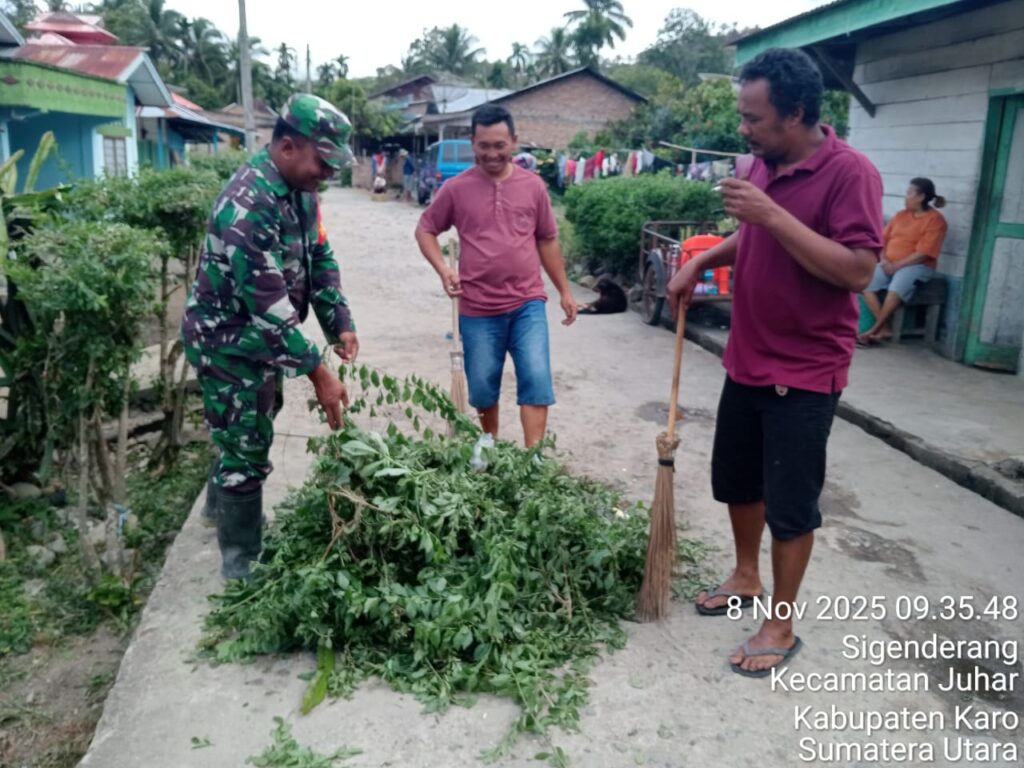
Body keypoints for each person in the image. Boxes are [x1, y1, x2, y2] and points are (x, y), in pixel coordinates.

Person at [667, 48, 883, 677]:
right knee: (738, 481)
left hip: (805, 368)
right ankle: (745, 575)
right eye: (743, 115)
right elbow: (753, 233)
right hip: (748, 355)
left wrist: (772, 214)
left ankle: (781, 624)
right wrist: (702, 261)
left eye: (754, 118)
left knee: (790, 502)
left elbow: (858, 270)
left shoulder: (851, 173)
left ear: (796, 113)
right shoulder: (765, 162)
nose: (744, 128)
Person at [181, 93, 359, 580]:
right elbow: (268, 304)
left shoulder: (301, 192)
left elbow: (319, 256)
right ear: (286, 147)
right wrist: (319, 372)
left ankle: (219, 507)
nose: (329, 173)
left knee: (254, 418)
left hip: (256, 341)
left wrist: (339, 320)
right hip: (225, 341)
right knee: (246, 442)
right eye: (323, 161)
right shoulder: (249, 203)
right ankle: (242, 564)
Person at [415, 105, 577, 447]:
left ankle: (533, 460)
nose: (492, 153)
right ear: (472, 142)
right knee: (483, 386)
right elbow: (425, 229)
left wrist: (564, 290)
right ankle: (489, 447)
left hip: (527, 303)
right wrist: (444, 269)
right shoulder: (456, 189)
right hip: (477, 308)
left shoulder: (533, 187)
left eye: (500, 145)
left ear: (514, 141)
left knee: (536, 377)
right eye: (484, 145)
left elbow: (547, 240)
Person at [858, 178, 947, 345]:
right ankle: (884, 328)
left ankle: (874, 330)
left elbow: (923, 253)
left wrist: (897, 265)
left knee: (895, 288)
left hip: (917, 266)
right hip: (889, 263)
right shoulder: (901, 216)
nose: (905, 197)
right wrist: (884, 260)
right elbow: (882, 241)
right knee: (865, 283)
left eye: (909, 193)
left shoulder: (935, 220)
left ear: (920, 196)